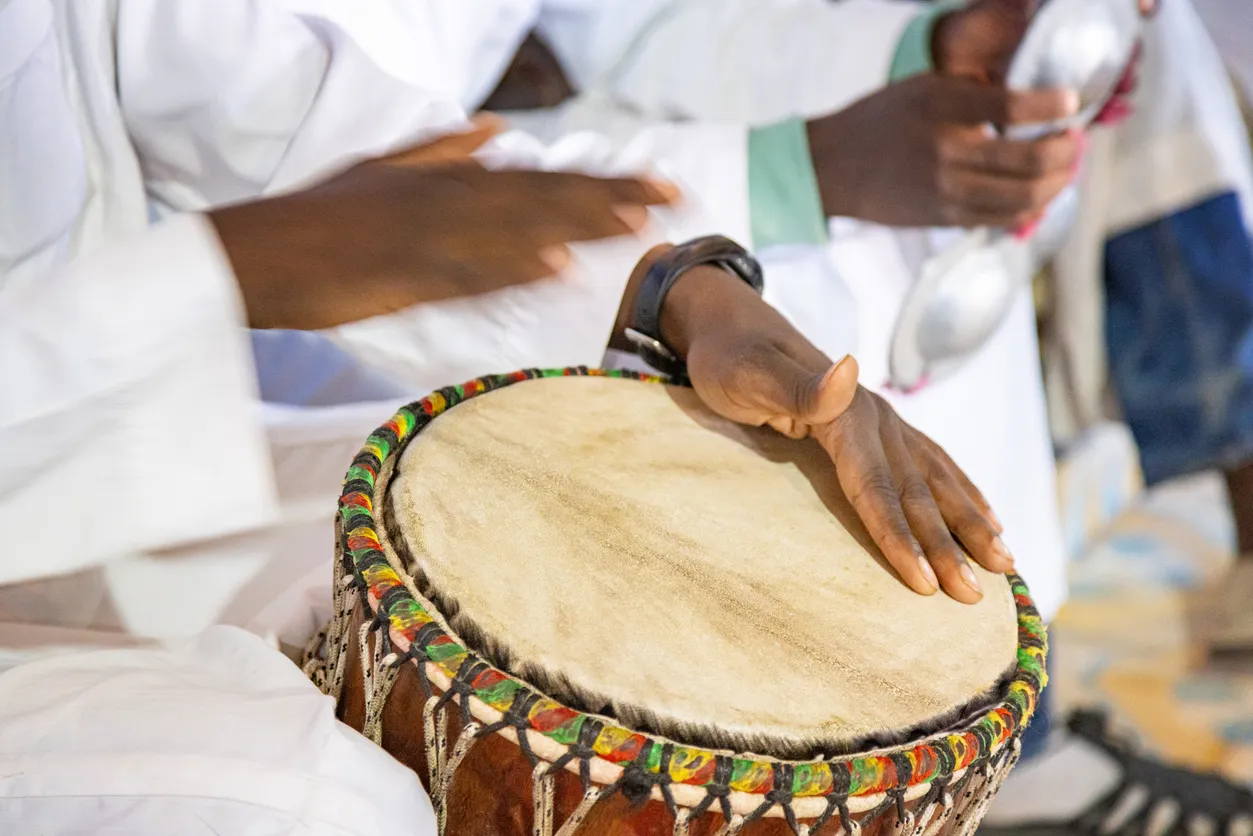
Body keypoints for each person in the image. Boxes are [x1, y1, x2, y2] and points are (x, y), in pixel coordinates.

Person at [0, 2, 1015, 829]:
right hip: (62, 434)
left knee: (536, 523)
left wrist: (685, 291)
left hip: (97, 451)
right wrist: (224, 274)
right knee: (315, 806)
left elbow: (288, 112)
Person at [275, 0, 1253, 829]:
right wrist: (787, 179)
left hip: (587, 209)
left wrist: (916, 56)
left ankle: (1017, 740)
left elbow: (631, 26)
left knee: (921, 256)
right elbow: (311, 165)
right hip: (287, 364)